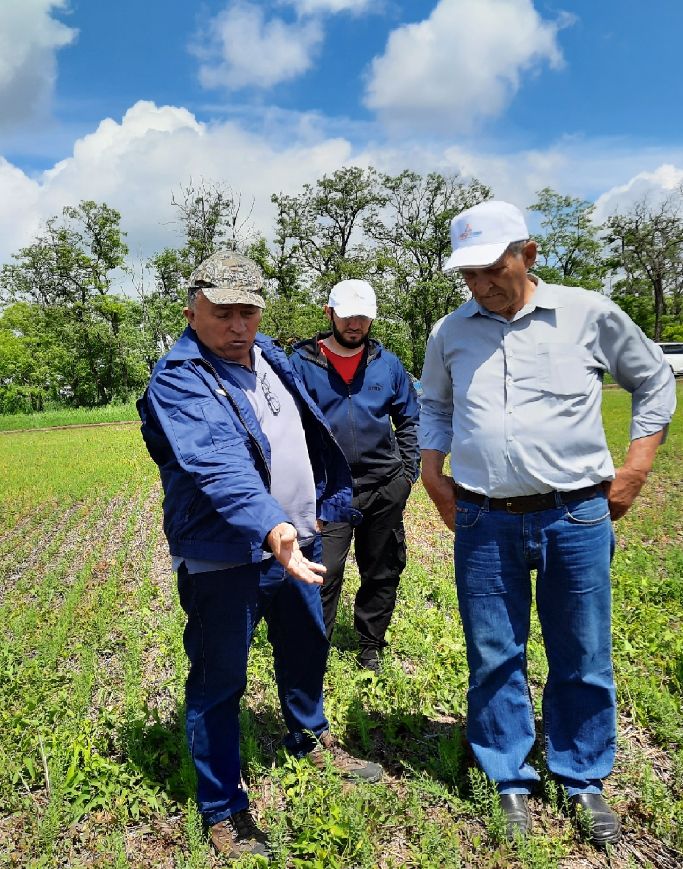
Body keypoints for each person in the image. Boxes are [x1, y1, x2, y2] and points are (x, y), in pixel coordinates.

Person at [418, 200, 676, 846]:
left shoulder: (586, 313)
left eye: (490, 268)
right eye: (468, 274)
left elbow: (653, 381)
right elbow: (434, 407)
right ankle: (508, 779)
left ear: (527, 254)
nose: (479, 285)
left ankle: (581, 776)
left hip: (574, 514)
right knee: (493, 654)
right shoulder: (450, 331)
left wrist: (636, 469)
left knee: (581, 652)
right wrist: (431, 472)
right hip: (483, 516)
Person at [137, 252, 383, 863]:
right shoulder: (179, 378)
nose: (237, 324)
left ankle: (309, 733)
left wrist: (318, 507)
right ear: (193, 309)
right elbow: (218, 463)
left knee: (306, 644)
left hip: (296, 540)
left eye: (247, 310)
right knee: (219, 679)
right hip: (228, 553)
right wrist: (272, 526)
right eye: (222, 312)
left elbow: (308, 433)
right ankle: (223, 806)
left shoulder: (271, 355)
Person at [291, 279, 420, 671]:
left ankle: (371, 646)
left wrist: (407, 474)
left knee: (381, 570)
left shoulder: (389, 364)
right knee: (321, 574)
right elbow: (284, 427)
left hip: (383, 486)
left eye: (363, 317)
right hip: (327, 490)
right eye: (347, 316)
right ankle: (315, 650)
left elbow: (410, 419)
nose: (355, 325)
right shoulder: (299, 363)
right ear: (329, 314)